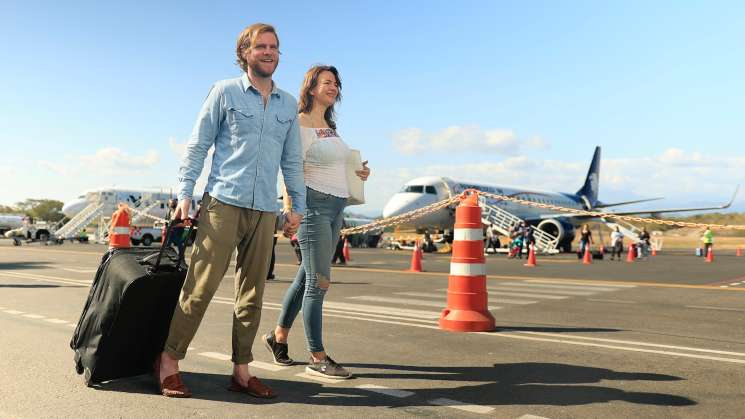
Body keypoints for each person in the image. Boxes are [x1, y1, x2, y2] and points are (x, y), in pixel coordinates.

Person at [155, 23, 306, 399]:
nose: (269, 52)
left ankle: (242, 369)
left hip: (265, 210)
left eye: (274, 47)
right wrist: (186, 193)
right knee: (201, 287)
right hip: (223, 202)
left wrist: (296, 207)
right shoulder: (224, 92)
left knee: (252, 294)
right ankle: (169, 362)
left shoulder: (288, 104)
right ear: (245, 53)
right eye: (261, 47)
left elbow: (291, 162)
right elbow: (198, 146)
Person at [263, 65, 370, 379]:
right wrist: (291, 209)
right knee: (319, 282)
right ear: (311, 88)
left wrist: (359, 171)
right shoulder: (298, 124)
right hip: (313, 207)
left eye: (336, 83)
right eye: (327, 82)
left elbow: (337, 165)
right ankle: (317, 355)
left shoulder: (329, 126)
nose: (333, 86)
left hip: (337, 207)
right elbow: (290, 169)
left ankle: (277, 337)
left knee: (305, 278)